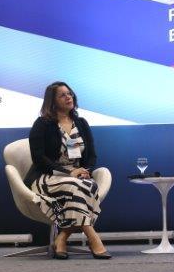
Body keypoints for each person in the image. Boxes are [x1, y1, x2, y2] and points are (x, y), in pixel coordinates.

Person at [24, 81, 111, 260]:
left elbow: (91, 155)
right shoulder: (42, 124)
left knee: (88, 185)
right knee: (78, 187)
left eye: (69, 93)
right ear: (52, 101)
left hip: (77, 176)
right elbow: (39, 158)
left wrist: (85, 170)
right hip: (47, 177)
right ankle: (93, 238)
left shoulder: (81, 123)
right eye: (62, 95)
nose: (68, 97)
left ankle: (62, 238)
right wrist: (69, 173)